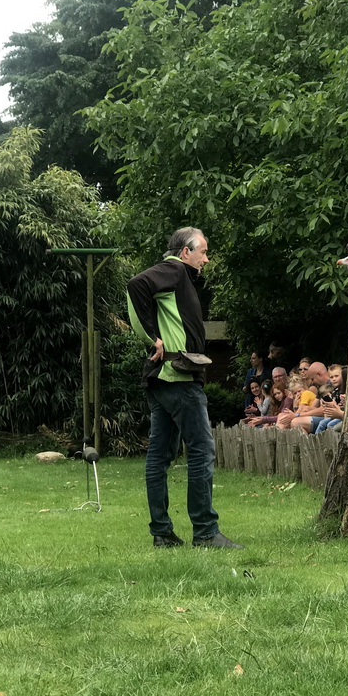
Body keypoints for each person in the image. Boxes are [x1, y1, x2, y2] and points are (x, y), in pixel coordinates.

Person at [126, 227, 242, 549]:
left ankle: (162, 533)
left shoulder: (177, 279)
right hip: (178, 378)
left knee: (160, 456)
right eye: (202, 252)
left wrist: (153, 336)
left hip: (163, 378)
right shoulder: (174, 270)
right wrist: (151, 338)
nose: (206, 258)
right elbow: (135, 284)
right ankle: (206, 532)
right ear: (185, 253)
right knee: (201, 451)